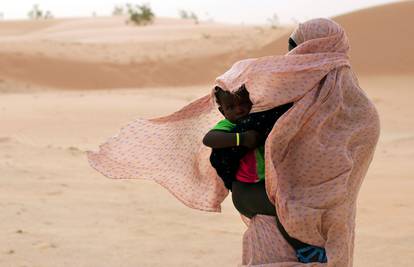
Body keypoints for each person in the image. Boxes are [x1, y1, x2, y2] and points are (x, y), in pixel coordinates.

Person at [87, 18, 380, 266]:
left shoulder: (281, 93)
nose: (291, 55)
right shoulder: (362, 109)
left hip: (283, 216)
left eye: (295, 47)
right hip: (328, 226)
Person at [203, 84, 293, 190]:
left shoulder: (262, 118)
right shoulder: (229, 124)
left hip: (272, 176)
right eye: (231, 107)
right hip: (247, 180)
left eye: (243, 103)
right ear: (223, 112)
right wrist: (241, 139)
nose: (239, 110)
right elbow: (209, 139)